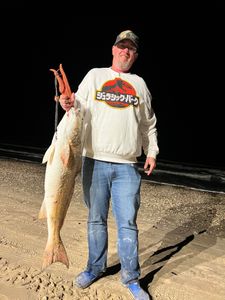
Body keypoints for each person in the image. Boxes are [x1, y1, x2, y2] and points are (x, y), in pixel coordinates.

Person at [59, 29, 159, 300]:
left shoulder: (139, 84)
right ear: (113, 50)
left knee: (128, 223)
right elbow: (76, 104)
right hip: (95, 161)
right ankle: (95, 268)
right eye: (121, 46)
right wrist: (66, 101)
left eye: (131, 48)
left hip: (127, 165)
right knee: (96, 220)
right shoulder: (95, 75)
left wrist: (151, 152)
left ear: (135, 55)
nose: (125, 51)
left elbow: (148, 124)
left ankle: (131, 277)